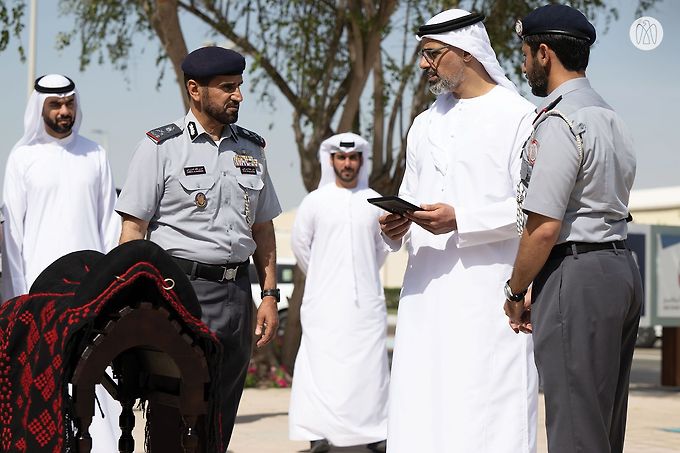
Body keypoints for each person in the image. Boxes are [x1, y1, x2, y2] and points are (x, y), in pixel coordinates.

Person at [378, 9, 538, 453]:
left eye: (431, 54)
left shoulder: (518, 117)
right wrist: (396, 225)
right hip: (424, 296)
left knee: (486, 408)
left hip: (487, 294)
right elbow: (411, 197)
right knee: (422, 405)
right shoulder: (424, 124)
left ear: (465, 53)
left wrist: (461, 218)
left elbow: (532, 209)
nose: (424, 65)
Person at [115, 46, 281, 451]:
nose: (237, 95)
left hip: (236, 296)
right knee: (174, 410)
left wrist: (270, 295)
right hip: (179, 294)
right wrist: (133, 299)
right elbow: (133, 231)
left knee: (221, 412)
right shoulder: (160, 147)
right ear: (195, 89)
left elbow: (263, 229)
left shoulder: (251, 150)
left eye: (239, 87)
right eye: (227, 88)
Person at [505, 5, 642, 453]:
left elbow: (544, 227)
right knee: (601, 425)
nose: (524, 65)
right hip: (619, 268)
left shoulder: (562, 120)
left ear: (544, 53)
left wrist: (515, 290)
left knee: (575, 433)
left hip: (576, 275)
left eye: (526, 54)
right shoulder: (611, 116)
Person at [1, 73, 121, 451]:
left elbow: (108, 225)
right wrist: (18, 297)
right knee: (44, 377)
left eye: (69, 103)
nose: (64, 111)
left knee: (94, 374)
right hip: (37, 291)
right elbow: (12, 237)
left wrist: (109, 288)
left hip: (89, 287)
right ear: (40, 109)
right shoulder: (22, 158)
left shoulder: (95, 154)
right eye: (55, 104)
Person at [289, 133, 389, 453]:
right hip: (324, 303)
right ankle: (318, 432)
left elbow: (380, 251)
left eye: (353, 158)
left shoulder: (375, 201)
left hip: (365, 305)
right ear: (330, 161)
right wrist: (323, 278)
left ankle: (374, 432)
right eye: (341, 158)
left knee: (369, 369)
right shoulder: (315, 202)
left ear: (361, 160)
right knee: (320, 367)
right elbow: (301, 247)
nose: (347, 164)